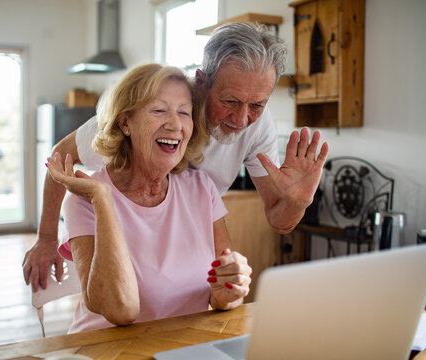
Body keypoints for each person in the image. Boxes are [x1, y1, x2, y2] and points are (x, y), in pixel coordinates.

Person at [23, 22, 329, 292]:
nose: (241, 118)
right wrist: (46, 236)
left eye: (257, 105)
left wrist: (296, 202)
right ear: (202, 81)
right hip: (121, 244)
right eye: (230, 101)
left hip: (185, 259)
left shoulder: (255, 127)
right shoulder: (156, 104)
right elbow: (61, 154)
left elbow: (279, 218)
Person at [45, 64, 252, 332]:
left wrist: (232, 288)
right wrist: (103, 199)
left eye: (184, 113)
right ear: (125, 123)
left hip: (180, 348)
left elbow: (221, 297)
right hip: (106, 351)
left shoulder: (202, 189)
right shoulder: (86, 198)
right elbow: (121, 310)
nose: (175, 124)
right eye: (158, 111)